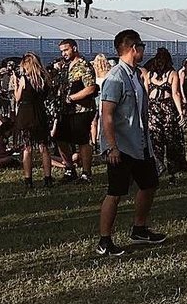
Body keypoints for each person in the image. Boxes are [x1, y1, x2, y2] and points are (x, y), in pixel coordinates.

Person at [96, 30, 166, 257]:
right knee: (115, 192)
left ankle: (139, 229)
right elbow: (107, 115)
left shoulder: (136, 74)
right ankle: (104, 241)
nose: (144, 50)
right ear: (134, 48)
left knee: (149, 184)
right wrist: (111, 146)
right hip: (122, 146)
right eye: (142, 45)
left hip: (139, 143)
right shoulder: (116, 77)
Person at [142, 47, 187, 184]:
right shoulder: (172, 74)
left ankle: (157, 167)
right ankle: (172, 175)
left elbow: (145, 94)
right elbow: (175, 94)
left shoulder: (149, 75)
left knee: (155, 142)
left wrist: (144, 112)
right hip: (167, 109)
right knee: (171, 143)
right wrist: (180, 112)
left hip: (152, 110)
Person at [57, 39, 98, 184]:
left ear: (74, 48)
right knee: (60, 138)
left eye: (66, 50)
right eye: (62, 51)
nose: (64, 53)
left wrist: (72, 98)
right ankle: (69, 168)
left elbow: (91, 87)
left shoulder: (84, 66)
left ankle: (86, 173)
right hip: (65, 110)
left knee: (82, 141)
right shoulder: (65, 66)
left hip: (82, 109)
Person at [13, 52, 54, 189]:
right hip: (40, 113)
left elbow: (18, 98)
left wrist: (15, 85)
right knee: (44, 147)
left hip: (26, 114)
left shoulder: (25, 79)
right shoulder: (44, 78)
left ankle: (28, 179)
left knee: (27, 148)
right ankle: (48, 177)